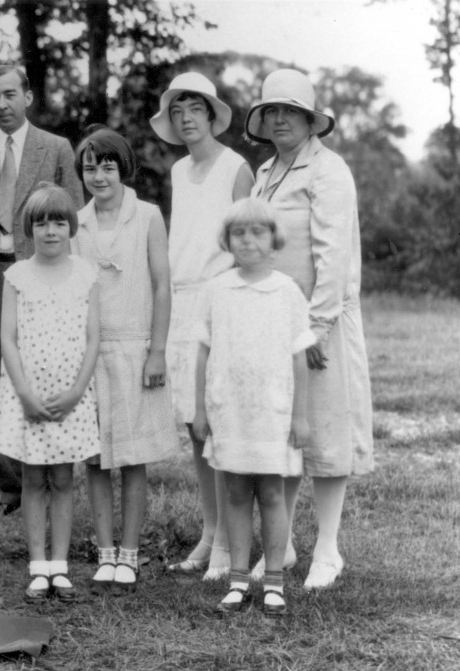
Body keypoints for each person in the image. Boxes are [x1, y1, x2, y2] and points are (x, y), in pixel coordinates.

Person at [245, 69, 374, 590]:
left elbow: (333, 257)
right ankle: (282, 545)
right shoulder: (265, 171)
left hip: (320, 320)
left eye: (291, 111)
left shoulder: (328, 170)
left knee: (324, 430)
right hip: (272, 320)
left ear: (309, 118)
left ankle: (327, 547)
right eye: (272, 111)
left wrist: (316, 328)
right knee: (282, 434)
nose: (280, 120)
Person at [0, 64, 84, 519]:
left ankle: (53, 477)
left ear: (27, 97)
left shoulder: (56, 148)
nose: (2, 104)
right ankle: (9, 491)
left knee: (47, 374)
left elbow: (73, 215)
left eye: (10, 94)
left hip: (45, 277)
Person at [148, 71, 254, 581]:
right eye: (177, 111)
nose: (186, 118)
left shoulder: (236, 168)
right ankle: (210, 535)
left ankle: (230, 546)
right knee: (195, 425)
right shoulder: (176, 170)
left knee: (221, 424)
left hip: (222, 302)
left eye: (195, 109)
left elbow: (245, 244)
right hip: (183, 304)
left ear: (212, 115)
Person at [193, 198, 314, 616]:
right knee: (236, 492)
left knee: (273, 493)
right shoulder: (217, 290)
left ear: (273, 238)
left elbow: (299, 357)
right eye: (239, 233)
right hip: (230, 410)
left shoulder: (287, 291)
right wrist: (201, 410)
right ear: (227, 240)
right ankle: (238, 580)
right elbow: (203, 352)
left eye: (258, 232)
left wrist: (299, 416)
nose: (248, 240)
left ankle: (274, 581)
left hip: (272, 412)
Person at [71, 127, 178, 593]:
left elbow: (162, 285)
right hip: (91, 353)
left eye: (107, 167)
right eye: (90, 168)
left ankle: (130, 553)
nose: (99, 176)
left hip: (136, 348)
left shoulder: (148, 216)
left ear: (123, 168)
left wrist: (157, 351)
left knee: (133, 458)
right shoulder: (76, 223)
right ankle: (105, 552)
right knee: (96, 459)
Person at [0, 184, 100, 603]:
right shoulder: (17, 276)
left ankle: (60, 565)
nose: (50, 231)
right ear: (29, 229)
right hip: (29, 395)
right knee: (34, 478)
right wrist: (24, 393)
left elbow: (93, 338)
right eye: (41, 223)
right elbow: (7, 338)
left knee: (63, 477)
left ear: (71, 227)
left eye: (58, 222)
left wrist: (76, 391)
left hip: (69, 395)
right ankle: (38, 566)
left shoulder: (85, 274)